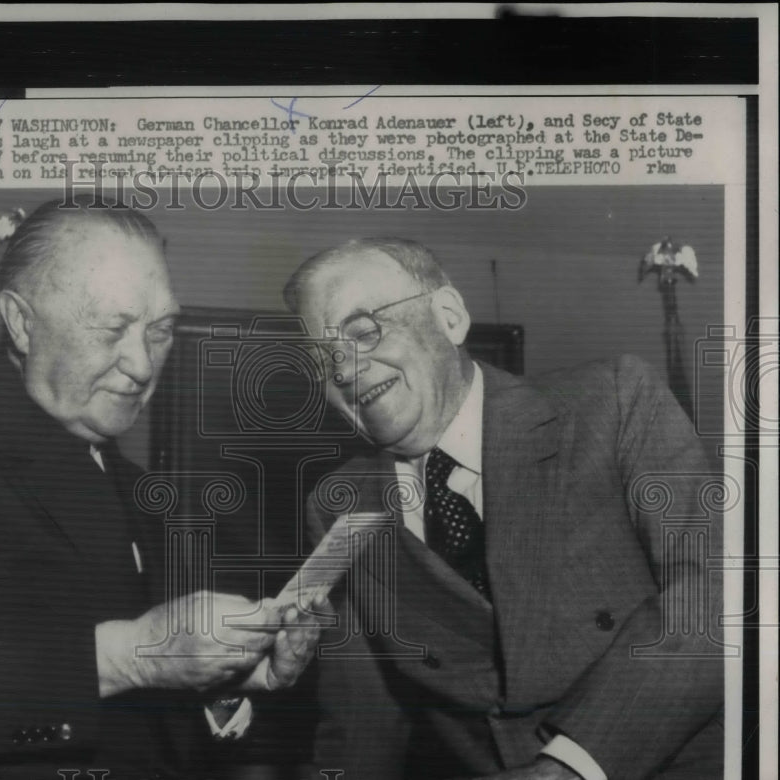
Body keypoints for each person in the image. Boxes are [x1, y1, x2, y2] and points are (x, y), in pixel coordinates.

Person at [0, 200, 323, 779]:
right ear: (22, 321)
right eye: (112, 329)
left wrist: (227, 683)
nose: (141, 364)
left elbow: (148, 732)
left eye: (160, 331)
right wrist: (127, 656)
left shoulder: (151, 498)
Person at [283, 238, 724, 780]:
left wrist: (567, 768)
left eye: (364, 331)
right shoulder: (340, 507)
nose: (344, 368)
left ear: (449, 317)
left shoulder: (613, 403)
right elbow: (362, 720)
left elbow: (713, 599)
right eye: (322, 358)